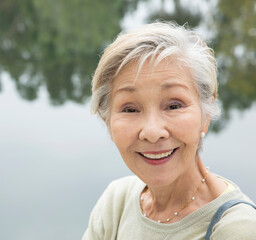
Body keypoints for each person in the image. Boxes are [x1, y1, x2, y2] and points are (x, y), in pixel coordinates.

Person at [82, 22, 256, 239]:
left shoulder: (235, 228)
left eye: (174, 106)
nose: (153, 132)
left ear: (205, 115)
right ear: (107, 122)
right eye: (130, 109)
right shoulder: (116, 202)